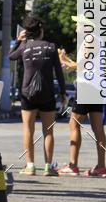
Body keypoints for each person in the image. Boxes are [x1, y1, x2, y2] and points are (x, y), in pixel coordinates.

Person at [9, 15, 66, 176]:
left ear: (26, 32)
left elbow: (10, 56)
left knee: (28, 129)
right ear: (40, 30)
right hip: (47, 94)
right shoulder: (51, 47)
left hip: (28, 94)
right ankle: (48, 167)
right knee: (48, 131)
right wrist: (62, 92)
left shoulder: (24, 46)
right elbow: (59, 73)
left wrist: (18, 41)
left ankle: (30, 166)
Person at [56, 47, 106, 177]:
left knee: (74, 124)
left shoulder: (89, 40)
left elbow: (80, 65)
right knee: (98, 128)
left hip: (86, 87)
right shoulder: (95, 40)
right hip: (95, 87)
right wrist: (66, 59)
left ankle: (73, 165)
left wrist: (64, 60)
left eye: (78, 24)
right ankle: (101, 167)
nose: (75, 26)